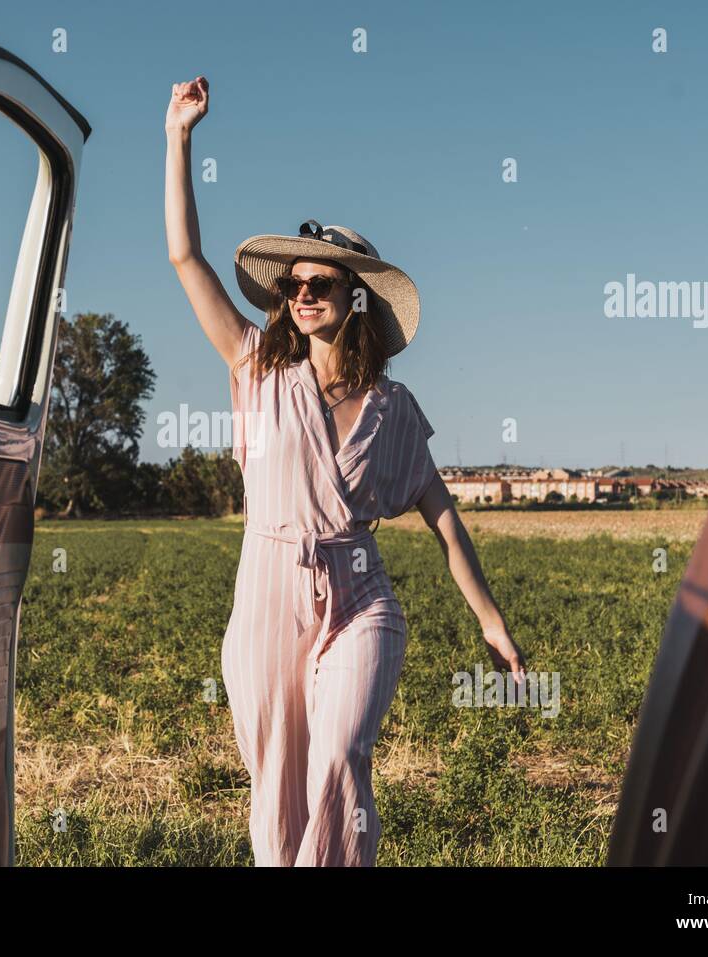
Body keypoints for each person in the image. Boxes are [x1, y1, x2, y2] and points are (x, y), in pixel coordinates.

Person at [164, 76, 527, 866]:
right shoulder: (256, 366)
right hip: (266, 591)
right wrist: (179, 137)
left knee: (337, 761)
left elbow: (443, 518)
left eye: (320, 283)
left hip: (360, 595)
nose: (302, 293)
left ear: (356, 298)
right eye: (294, 284)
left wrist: (490, 621)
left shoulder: (394, 408)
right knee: (277, 782)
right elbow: (185, 257)